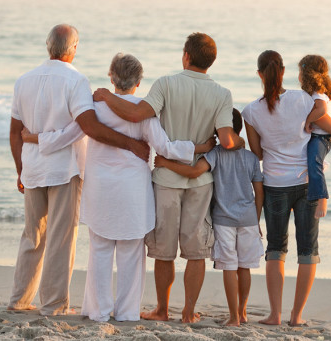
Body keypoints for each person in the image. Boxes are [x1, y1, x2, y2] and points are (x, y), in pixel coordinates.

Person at [22, 53, 214, 322]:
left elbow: (68, 135)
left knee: (99, 251)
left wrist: (34, 138)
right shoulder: (144, 112)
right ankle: (126, 313)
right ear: (138, 81)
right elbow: (167, 148)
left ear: (111, 77)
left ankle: (97, 312)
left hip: (100, 187)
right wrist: (201, 147)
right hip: (132, 190)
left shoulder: (95, 107)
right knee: (131, 254)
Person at [93, 32, 244, 323]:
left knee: (164, 250)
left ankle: (162, 309)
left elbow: (138, 114)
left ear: (186, 56)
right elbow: (226, 139)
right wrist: (239, 144)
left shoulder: (166, 83)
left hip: (165, 178)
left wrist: (105, 96)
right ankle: (188, 311)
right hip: (200, 182)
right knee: (196, 249)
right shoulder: (223, 94)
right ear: (211, 61)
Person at [8, 24, 150, 316]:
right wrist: (130, 144)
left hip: (33, 168)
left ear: (49, 46)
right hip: (64, 169)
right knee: (61, 236)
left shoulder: (23, 80)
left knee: (32, 235)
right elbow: (89, 126)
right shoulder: (76, 81)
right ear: (72, 49)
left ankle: (19, 299)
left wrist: (20, 169)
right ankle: (53, 304)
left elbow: (14, 132)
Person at [154, 109, 264, 327]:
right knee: (245, 267)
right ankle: (242, 313)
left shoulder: (215, 154)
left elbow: (195, 172)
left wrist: (166, 164)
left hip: (224, 220)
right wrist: (257, 218)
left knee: (230, 267)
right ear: (240, 129)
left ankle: (233, 318)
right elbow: (259, 191)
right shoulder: (251, 158)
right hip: (249, 220)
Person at [241, 50, 319, 327]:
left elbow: (258, 153)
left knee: (276, 249)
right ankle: (296, 317)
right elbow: (319, 128)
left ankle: (275, 315)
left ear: (260, 74)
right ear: (283, 71)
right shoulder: (303, 98)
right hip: (307, 182)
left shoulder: (250, 111)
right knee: (307, 250)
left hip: (275, 184)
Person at [298, 55, 331, 219]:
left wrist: (308, 121)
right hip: (317, 136)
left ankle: (322, 198)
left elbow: (322, 110)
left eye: (299, 71)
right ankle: (299, 197)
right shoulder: (316, 93)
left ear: (306, 74)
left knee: (313, 163)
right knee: (304, 164)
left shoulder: (318, 94)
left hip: (321, 138)